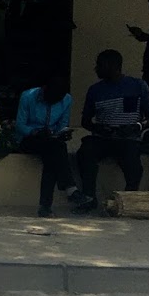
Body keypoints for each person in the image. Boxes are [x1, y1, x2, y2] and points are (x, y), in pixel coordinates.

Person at [76, 48, 149, 206]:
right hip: (103, 138)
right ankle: (89, 197)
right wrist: (99, 128)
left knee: (134, 166)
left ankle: (128, 200)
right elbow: (85, 121)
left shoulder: (138, 86)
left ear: (113, 65)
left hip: (128, 137)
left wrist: (137, 126)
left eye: (100, 65)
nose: (96, 69)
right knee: (85, 153)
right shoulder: (95, 90)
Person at [15, 76, 92, 217]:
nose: (54, 102)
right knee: (55, 150)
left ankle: (46, 207)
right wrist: (35, 131)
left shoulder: (66, 100)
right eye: (51, 98)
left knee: (52, 155)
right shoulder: (28, 96)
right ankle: (70, 190)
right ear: (44, 89)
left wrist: (62, 133)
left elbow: (62, 124)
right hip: (29, 139)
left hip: (51, 141)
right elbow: (20, 125)